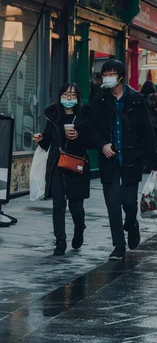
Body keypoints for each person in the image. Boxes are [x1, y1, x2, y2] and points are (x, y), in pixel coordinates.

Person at [91, 60, 157, 260]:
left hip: (131, 158)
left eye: (112, 73)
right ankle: (118, 245)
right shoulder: (100, 101)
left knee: (129, 202)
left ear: (120, 76)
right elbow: (91, 129)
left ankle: (132, 223)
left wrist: (153, 158)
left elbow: (147, 130)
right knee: (113, 203)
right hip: (109, 160)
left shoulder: (136, 99)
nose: (108, 77)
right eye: (105, 74)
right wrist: (102, 144)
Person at [33, 83, 92, 256]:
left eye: (72, 95)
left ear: (77, 98)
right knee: (58, 204)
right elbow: (48, 140)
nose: (68, 98)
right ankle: (60, 241)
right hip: (57, 165)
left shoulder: (84, 116)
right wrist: (40, 138)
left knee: (76, 206)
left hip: (77, 165)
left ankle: (79, 228)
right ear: (60, 96)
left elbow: (91, 141)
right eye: (65, 94)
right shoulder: (53, 116)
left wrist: (78, 136)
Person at [141, 81, 157, 164]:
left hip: (144, 123)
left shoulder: (141, 96)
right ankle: (154, 163)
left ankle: (144, 163)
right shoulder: (154, 96)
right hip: (154, 123)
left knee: (145, 144)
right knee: (155, 144)